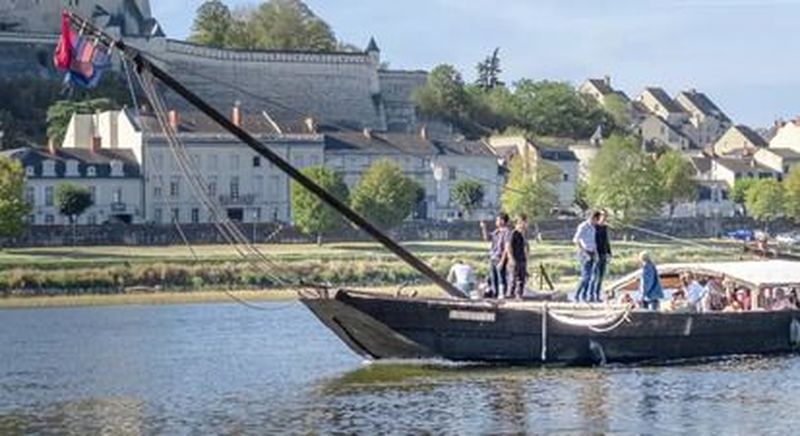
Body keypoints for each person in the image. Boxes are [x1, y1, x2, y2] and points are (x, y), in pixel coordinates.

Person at [481, 213, 511, 299]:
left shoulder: (507, 232)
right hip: (493, 257)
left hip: (500, 257)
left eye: (497, 220)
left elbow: (506, 248)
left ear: (502, 221)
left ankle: (502, 294)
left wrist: (502, 261)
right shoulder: (496, 232)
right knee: (493, 278)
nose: (496, 222)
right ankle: (495, 294)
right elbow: (487, 238)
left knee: (501, 277)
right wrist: (484, 227)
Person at [573, 211, 601, 302]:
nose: (597, 222)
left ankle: (584, 296)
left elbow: (594, 241)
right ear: (593, 218)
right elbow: (576, 240)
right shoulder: (583, 226)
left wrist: (596, 253)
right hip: (585, 253)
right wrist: (583, 252)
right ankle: (577, 295)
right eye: (597, 220)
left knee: (591, 276)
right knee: (586, 276)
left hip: (593, 252)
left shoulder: (594, 228)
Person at [590, 210, 612, 302]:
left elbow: (606, 241)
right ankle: (591, 295)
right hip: (596, 254)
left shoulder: (605, 227)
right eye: (603, 216)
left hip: (603, 254)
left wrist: (609, 252)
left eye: (606, 216)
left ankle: (597, 295)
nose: (604, 218)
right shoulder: (594, 227)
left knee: (601, 277)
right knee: (595, 276)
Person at [506, 214, 529, 300]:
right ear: (520, 222)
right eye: (525, 222)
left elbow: (525, 247)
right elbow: (508, 246)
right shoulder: (513, 233)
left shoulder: (523, 234)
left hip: (522, 258)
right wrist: (511, 258)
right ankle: (511, 294)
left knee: (521, 278)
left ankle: (519, 294)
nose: (526, 224)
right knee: (513, 278)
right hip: (515, 259)